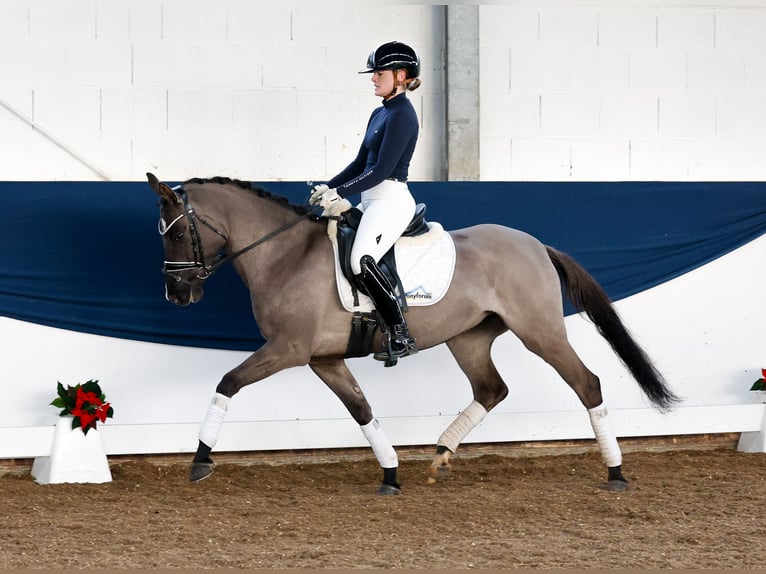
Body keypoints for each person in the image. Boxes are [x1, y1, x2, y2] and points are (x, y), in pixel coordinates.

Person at [310, 41, 422, 363]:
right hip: (371, 197)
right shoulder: (380, 112)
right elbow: (362, 162)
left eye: (379, 73)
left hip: (390, 200)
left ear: (401, 76)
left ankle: (400, 332)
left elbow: (382, 170)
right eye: (373, 73)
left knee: (361, 259)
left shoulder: (402, 115)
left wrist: (341, 194)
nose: (373, 78)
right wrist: (328, 187)